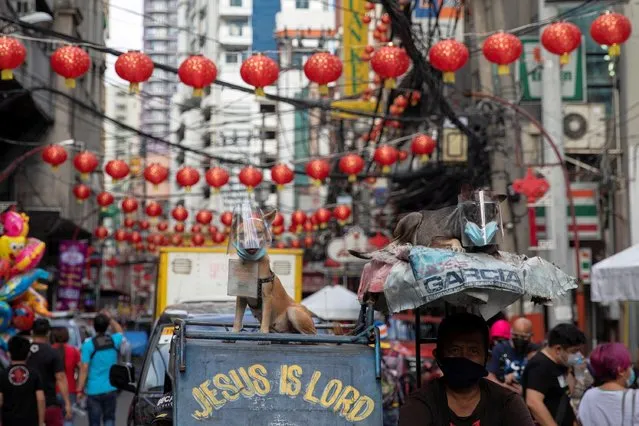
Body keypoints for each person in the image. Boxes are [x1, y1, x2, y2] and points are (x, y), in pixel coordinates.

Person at [399, 312, 534, 425]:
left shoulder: (507, 403)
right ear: (438, 356)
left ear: (487, 358)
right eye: (455, 350)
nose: (464, 357)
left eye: (473, 351)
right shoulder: (421, 404)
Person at [521, 323, 586, 426]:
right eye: (574, 351)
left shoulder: (561, 364)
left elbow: (569, 393)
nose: (578, 355)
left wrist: (578, 372)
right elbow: (533, 402)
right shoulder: (540, 365)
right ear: (558, 349)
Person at [77, 310, 124, 426]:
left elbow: (84, 368)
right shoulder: (113, 341)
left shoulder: (88, 345)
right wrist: (110, 319)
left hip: (93, 390)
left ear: (94, 326)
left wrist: (80, 389)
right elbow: (120, 331)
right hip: (110, 388)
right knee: (109, 419)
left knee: (94, 422)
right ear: (107, 326)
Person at [578, 343, 639, 425]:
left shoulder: (588, 397)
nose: (631, 370)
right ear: (620, 370)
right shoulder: (635, 398)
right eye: (629, 365)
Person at [27, 318, 72, 426]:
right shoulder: (53, 353)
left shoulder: (24, 352)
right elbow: (60, 377)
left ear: (32, 332)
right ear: (48, 333)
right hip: (49, 403)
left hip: (28, 405)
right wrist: (67, 403)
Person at [0, 336, 45, 426]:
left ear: (8, 354)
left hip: (9, 421)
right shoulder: (34, 374)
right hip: (30, 422)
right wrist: (41, 422)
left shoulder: (2, 375)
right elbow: (40, 399)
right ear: (28, 354)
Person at [488, 317, 540, 393]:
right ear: (511, 333)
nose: (519, 339)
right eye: (515, 335)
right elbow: (489, 376)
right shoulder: (500, 349)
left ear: (531, 336)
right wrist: (503, 387)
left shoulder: (536, 351)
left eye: (523, 337)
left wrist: (526, 391)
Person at [51, 327, 80, 426]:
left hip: (52, 391)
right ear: (67, 337)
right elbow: (81, 369)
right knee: (68, 420)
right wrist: (80, 387)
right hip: (70, 390)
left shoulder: (49, 351)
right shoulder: (74, 351)